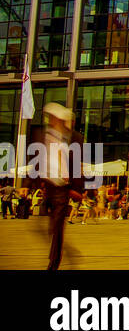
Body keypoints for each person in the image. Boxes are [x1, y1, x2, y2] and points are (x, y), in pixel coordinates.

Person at [34, 102, 86, 270]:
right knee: (44, 226)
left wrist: (78, 189)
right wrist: (31, 183)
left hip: (63, 188)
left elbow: (78, 164)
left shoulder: (74, 138)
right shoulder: (42, 136)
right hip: (48, 186)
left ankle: (54, 261)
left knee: (57, 227)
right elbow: (37, 160)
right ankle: (58, 250)